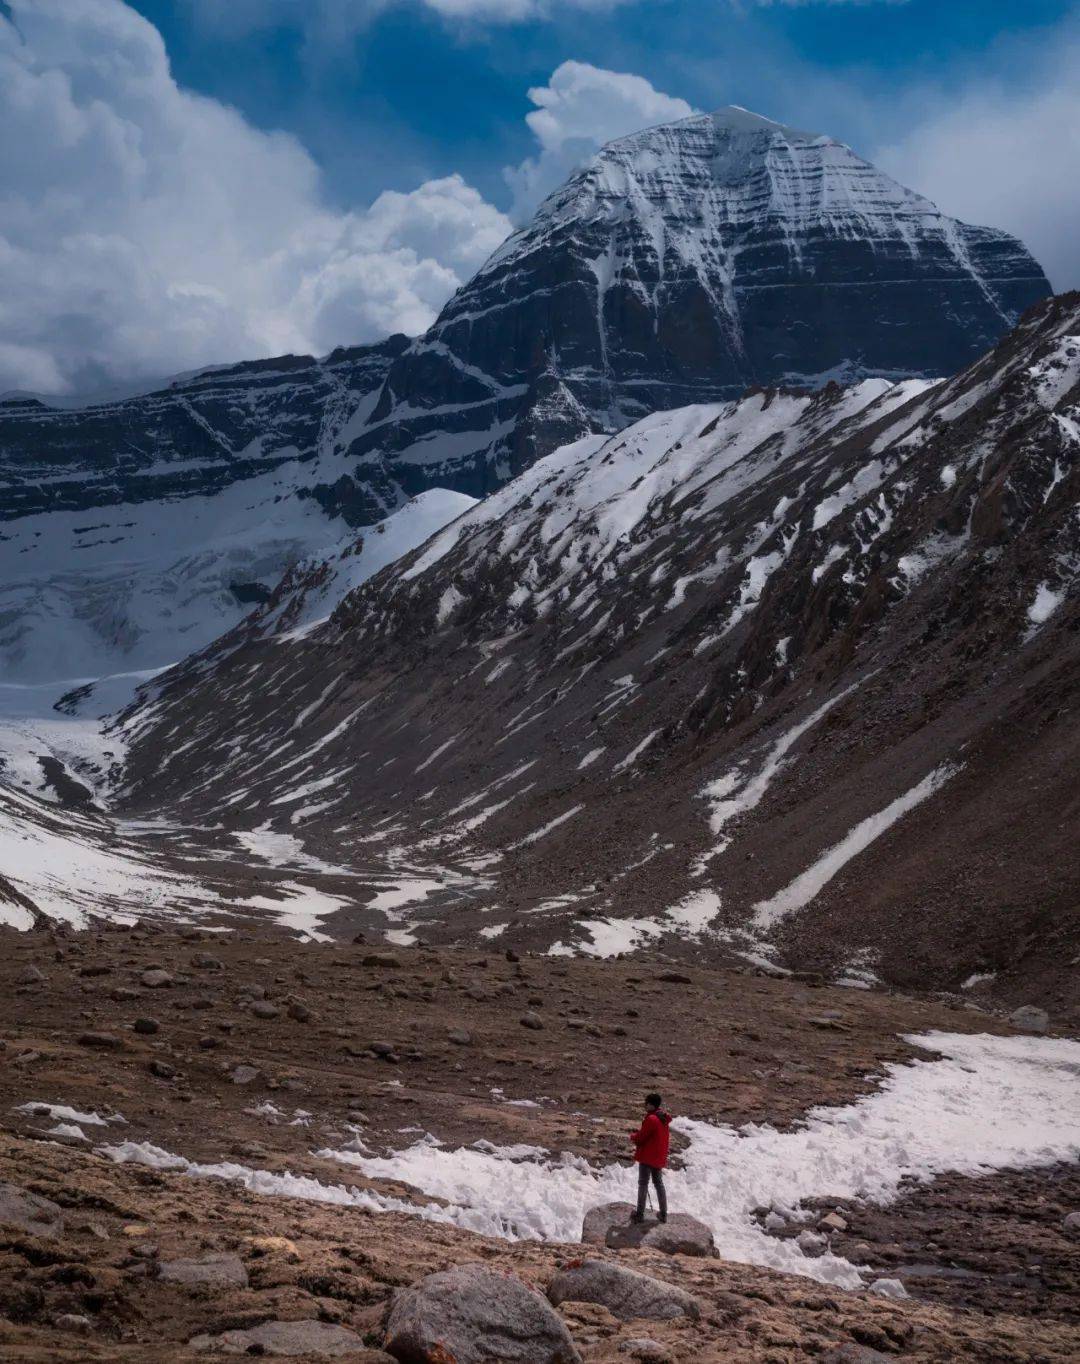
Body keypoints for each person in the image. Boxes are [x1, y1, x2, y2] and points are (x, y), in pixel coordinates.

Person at [629, 1092, 670, 1223]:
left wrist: (633, 1137)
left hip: (648, 1156)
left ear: (651, 1105)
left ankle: (639, 1214)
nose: (645, 1105)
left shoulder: (651, 1119)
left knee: (643, 1184)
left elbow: (642, 1137)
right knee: (658, 1184)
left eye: (646, 1103)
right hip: (658, 1157)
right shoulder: (663, 1119)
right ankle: (663, 1213)